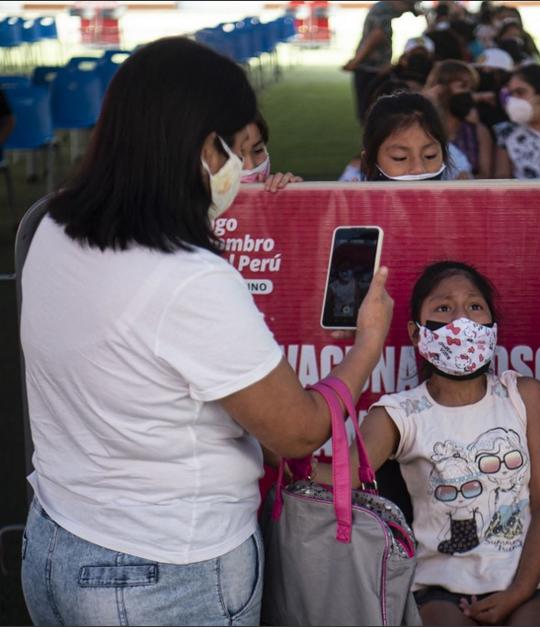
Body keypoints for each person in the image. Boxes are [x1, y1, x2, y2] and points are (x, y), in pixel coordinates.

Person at [19, 37, 394, 626]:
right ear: (198, 149)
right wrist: (368, 345)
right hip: (165, 570)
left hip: (57, 539)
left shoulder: (55, 224)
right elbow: (296, 430)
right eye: (235, 153)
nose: (241, 171)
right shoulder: (188, 279)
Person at [322, 261, 540, 625]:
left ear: (492, 327)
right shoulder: (400, 413)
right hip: (437, 587)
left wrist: (518, 591)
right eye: (444, 308)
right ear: (416, 333)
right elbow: (338, 479)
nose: (462, 320)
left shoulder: (524, 396)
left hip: (534, 582)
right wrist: (272, 440)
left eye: (475, 306)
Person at [356, 91, 470, 182]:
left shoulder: (463, 208)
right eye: (400, 157)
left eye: (430, 155)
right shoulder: (350, 209)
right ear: (368, 163)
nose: (419, 169)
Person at [343, 0, 421, 123]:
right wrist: (356, 62)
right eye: (407, 6)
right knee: (371, 114)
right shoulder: (383, 9)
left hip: (375, 69)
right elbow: (377, 35)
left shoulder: (385, 9)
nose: (404, 12)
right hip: (371, 69)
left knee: (375, 113)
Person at [425, 60, 494, 178]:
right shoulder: (425, 130)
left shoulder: (478, 131)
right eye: (463, 86)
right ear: (441, 89)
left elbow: (485, 175)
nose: (468, 94)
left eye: (472, 89)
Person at [239, 113, 303, 191]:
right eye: (236, 157)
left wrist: (291, 196)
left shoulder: (275, 187)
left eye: (258, 150)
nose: (251, 167)